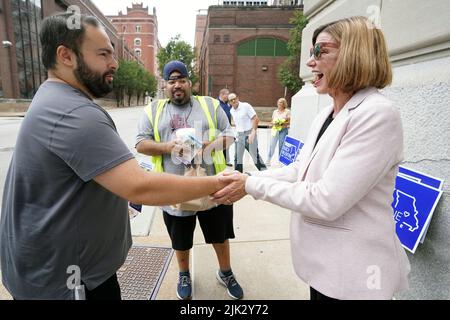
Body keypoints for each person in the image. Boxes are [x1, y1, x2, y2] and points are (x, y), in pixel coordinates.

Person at [0, 14, 230, 300]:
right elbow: (140, 186)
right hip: (69, 282)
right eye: (103, 54)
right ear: (66, 56)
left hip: (62, 272)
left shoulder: (55, 99)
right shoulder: (75, 113)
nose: (114, 62)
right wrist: (220, 183)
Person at [213, 16, 410, 300]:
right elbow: (299, 170)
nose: (310, 62)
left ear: (354, 53)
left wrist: (249, 186)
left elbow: (326, 199)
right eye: (311, 53)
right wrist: (248, 179)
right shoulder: (326, 114)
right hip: (325, 267)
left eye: (321, 51)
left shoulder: (377, 114)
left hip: (357, 276)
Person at [135, 60, 244, 300]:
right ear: (165, 85)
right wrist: (167, 146)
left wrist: (207, 146)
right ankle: (184, 274)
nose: (177, 85)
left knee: (220, 235)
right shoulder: (153, 110)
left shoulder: (209, 105)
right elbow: (140, 143)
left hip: (212, 186)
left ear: (189, 83)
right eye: (171, 81)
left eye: (181, 80)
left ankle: (225, 272)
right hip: (173, 190)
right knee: (181, 240)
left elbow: (230, 135)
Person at [228, 93, 267, 173]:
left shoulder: (245, 106)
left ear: (238, 98)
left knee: (255, 156)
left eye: (234, 98)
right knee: (237, 157)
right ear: (229, 102)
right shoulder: (231, 110)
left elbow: (255, 119)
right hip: (239, 135)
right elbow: (237, 123)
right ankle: (237, 175)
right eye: (231, 100)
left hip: (249, 134)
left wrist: (253, 133)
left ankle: (265, 172)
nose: (233, 101)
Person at [267, 98, 291, 164]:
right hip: (275, 129)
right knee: (272, 145)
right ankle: (268, 159)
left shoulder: (287, 111)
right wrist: (272, 124)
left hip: (283, 130)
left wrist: (281, 123)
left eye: (281, 102)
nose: (279, 104)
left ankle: (280, 160)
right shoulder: (275, 112)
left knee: (281, 145)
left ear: (284, 104)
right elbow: (272, 121)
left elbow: (289, 122)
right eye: (279, 102)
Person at [218, 88, 233, 166]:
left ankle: (227, 161)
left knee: (227, 144)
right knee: (219, 144)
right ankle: (220, 160)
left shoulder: (228, 104)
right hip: (219, 128)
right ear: (222, 94)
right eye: (227, 94)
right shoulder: (216, 103)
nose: (228, 96)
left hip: (227, 127)